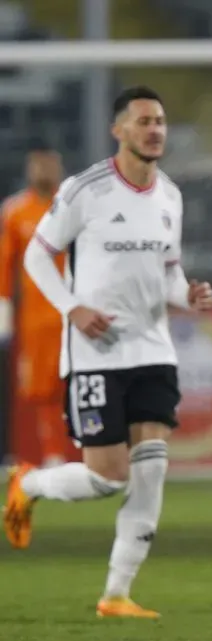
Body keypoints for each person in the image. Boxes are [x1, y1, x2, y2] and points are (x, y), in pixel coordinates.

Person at [2, 86, 212, 619]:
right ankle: (26, 484)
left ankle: (116, 594)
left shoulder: (169, 194)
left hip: (152, 350)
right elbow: (36, 256)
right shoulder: (85, 190)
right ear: (119, 130)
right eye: (144, 121)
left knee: (152, 470)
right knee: (106, 477)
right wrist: (72, 308)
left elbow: (168, 271)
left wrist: (186, 294)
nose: (155, 130)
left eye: (161, 121)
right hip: (96, 353)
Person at [0, 142, 69, 468]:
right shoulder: (15, 212)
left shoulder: (73, 207)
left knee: (85, 384)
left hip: (75, 313)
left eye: (49, 164)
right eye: (37, 164)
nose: (43, 171)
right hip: (35, 319)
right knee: (43, 392)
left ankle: (96, 454)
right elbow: (4, 262)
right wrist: (3, 305)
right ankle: (54, 454)